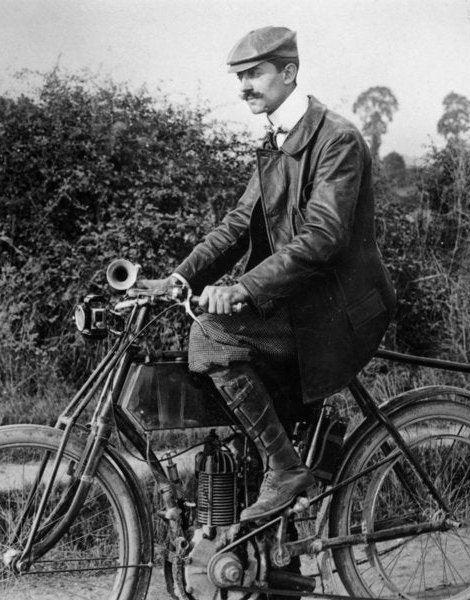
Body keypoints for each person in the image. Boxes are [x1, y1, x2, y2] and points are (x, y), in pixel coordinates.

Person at [138, 26, 395, 523]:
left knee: (211, 339)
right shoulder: (280, 139)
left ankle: (285, 468)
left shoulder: (335, 139)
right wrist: (178, 280)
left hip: (338, 310)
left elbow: (323, 238)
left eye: (255, 74)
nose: (245, 87)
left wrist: (243, 288)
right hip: (305, 301)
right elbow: (238, 225)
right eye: (241, 77)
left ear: (289, 73)